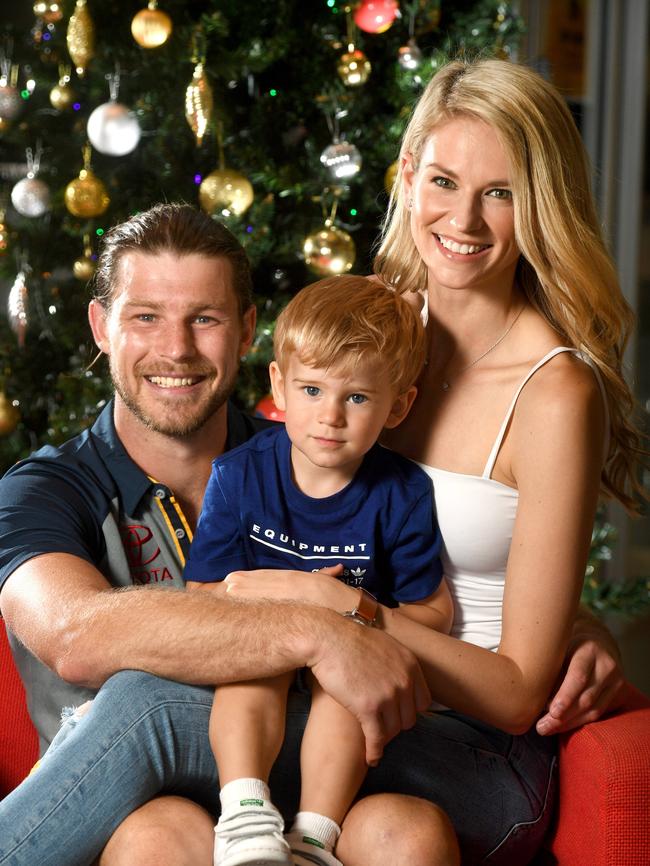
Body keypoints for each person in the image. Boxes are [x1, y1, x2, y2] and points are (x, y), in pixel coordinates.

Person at [0, 175, 627, 866]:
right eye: (145, 317)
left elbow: (447, 569)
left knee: (399, 830)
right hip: (140, 799)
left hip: (323, 770)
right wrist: (322, 630)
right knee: (153, 787)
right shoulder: (45, 489)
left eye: (204, 319)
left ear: (245, 334)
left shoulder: (314, 449)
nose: (175, 349)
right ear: (101, 329)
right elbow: (73, 633)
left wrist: (573, 625)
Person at [214, 56, 646, 863]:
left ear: (540, 206)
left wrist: (338, 612)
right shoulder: (364, 331)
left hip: (474, 738)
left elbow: (520, 692)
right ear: (408, 175)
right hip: (328, 695)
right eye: (445, 180)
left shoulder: (555, 394)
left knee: (154, 723)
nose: (466, 221)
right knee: (173, 808)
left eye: (501, 193)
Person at [184, 276, 453, 866]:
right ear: (278, 385)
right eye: (311, 389)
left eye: (356, 398)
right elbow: (201, 592)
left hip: (352, 661)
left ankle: (312, 839)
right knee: (251, 667)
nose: (329, 416)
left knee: (346, 686)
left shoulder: (403, 492)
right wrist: (283, 619)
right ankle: (246, 816)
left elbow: (435, 610)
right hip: (262, 648)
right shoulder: (238, 475)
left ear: (398, 405)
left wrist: (351, 617)